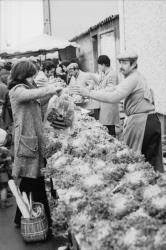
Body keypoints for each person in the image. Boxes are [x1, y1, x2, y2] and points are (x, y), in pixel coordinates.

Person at [72, 51, 163, 172]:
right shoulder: (134, 77)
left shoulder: (133, 79)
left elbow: (115, 96)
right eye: (120, 62)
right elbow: (112, 89)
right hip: (148, 121)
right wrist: (90, 90)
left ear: (134, 64)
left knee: (137, 162)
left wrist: (88, 93)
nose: (121, 66)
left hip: (143, 123)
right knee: (149, 162)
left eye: (125, 63)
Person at [8, 60, 62, 228]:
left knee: (34, 178)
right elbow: (30, 96)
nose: (34, 78)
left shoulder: (28, 89)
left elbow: (39, 100)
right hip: (27, 140)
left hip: (33, 139)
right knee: (31, 177)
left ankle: (27, 217)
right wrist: (50, 88)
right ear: (23, 75)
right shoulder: (16, 90)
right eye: (31, 75)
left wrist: (53, 93)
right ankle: (37, 217)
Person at [97, 55, 119, 137]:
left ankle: (114, 144)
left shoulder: (111, 74)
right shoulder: (106, 74)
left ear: (103, 64)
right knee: (108, 127)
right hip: (106, 105)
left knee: (110, 127)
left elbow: (110, 89)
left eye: (99, 65)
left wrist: (99, 91)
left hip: (109, 105)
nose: (99, 67)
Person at [0, 128, 13, 208]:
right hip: (2, 171)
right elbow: (9, 161)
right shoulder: (4, 150)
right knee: (3, 186)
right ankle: (4, 203)